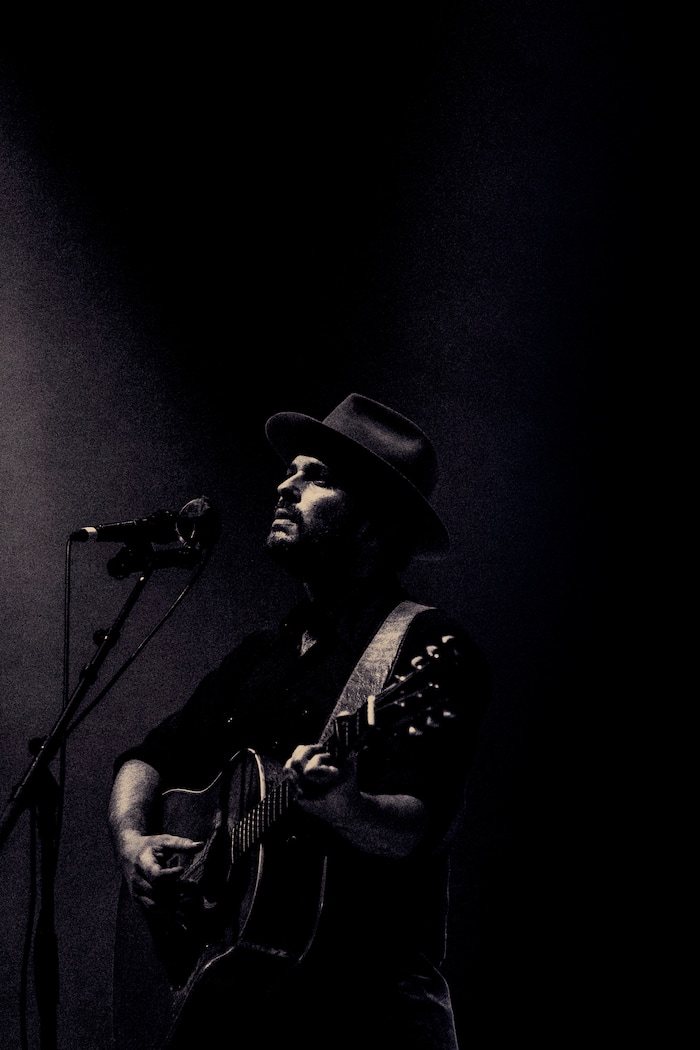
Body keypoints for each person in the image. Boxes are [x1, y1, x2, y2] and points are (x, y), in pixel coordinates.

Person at [108, 393, 491, 1050]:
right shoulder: (265, 651)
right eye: (291, 471)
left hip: (366, 1015)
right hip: (240, 1009)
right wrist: (134, 844)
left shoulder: (427, 650)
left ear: (374, 522)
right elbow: (149, 759)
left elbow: (419, 828)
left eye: (318, 476)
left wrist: (345, 805)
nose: (286, 484)